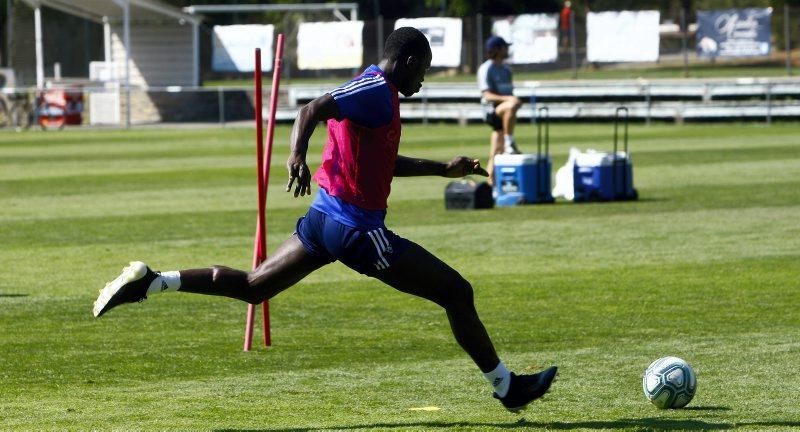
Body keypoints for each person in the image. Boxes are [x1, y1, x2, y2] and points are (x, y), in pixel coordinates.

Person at [93, 27, 556, 412]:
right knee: (457, 292)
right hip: (355, 230)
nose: (425, 76)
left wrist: (442, 169)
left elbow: (382, 161)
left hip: (322, 220)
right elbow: (311, 108)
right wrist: (296, 153)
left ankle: (152, 281)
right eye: (426, 65)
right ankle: (506, 387)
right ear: (410, 59)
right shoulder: (376, 87)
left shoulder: (378, 95)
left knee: (255, 287)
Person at [477, 35, 522, 186]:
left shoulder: (507, 70)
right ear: (496, 49)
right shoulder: (486, 68)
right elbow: (487, 95)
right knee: (511, 105)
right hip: (491, 111)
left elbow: (508, 93)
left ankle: (491, 185)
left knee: (496, 151)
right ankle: (510, 142)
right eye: (504, 47)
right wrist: (510, 100)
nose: (507, 49)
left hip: (504, 112)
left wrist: (512, 100)